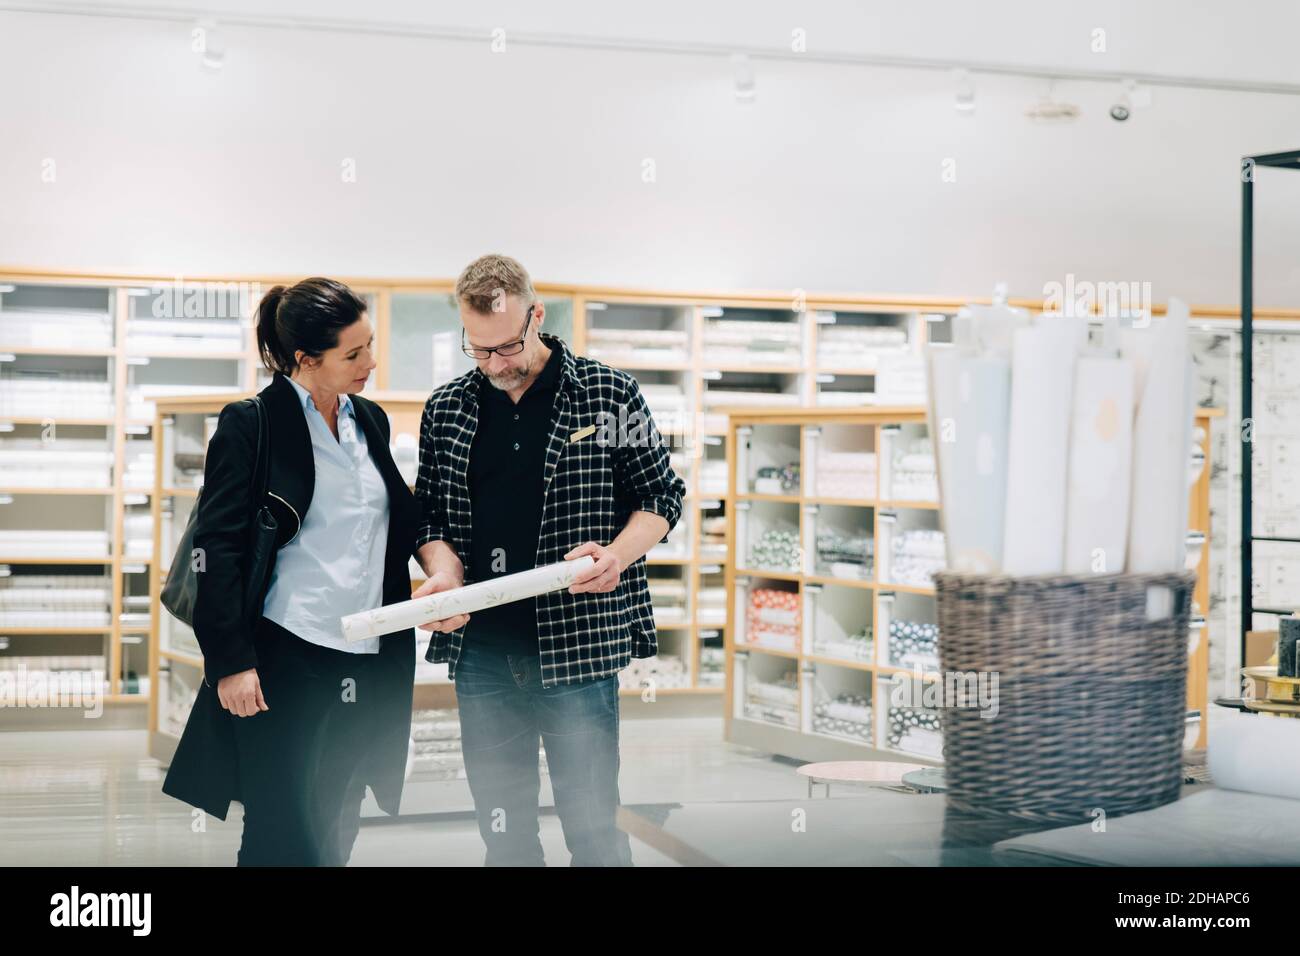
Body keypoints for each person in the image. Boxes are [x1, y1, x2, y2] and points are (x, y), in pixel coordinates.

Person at [412, 253, 687, 865]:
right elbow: (427, 515)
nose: (496, 365)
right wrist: (445, 573)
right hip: (482, 653)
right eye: (478, 351)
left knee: (592, 830)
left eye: (508, 347)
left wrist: (617, 555)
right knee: (503, 834)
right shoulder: (448, 407)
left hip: (579, 645)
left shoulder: (609, 394)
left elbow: (661, 496)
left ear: (537, 315)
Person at [161, 277, 420, 866]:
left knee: (339, 819)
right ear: (306, 359)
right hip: (285, 657)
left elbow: (401, 520)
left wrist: (440, 576)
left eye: (370, 345)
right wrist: (231, 662)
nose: (370, 363)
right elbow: (219, 548)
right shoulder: (253, 423)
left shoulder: (370, 423)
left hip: (366, 654)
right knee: (282, 826)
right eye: (353, 354)